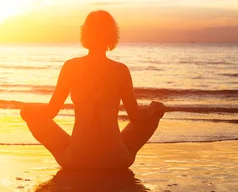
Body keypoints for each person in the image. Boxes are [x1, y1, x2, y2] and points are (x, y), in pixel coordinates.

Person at [20, 10, 166, 170]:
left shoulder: (71, 66)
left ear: (85, 34)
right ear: (111, 35)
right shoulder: (120, 70)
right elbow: (136, 117)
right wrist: (154, 109)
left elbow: (50, 112)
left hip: (76, 159)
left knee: (32, 116)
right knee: (154, 114)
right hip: (116, 159)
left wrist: (29, 109)